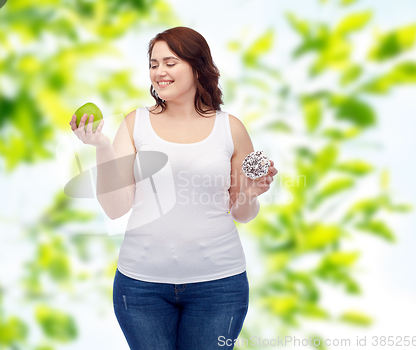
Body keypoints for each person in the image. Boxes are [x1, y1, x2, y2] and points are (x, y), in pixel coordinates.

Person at [69, 26, 278, 350]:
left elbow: (242, 213)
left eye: (170, 62)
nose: (159, 72)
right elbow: (116, 207)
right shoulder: (135, 123)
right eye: (153, 64)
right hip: (140, 288)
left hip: (219, 286)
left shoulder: (231, 127)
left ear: (198, 67)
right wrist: (101, 146)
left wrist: (250, 194)